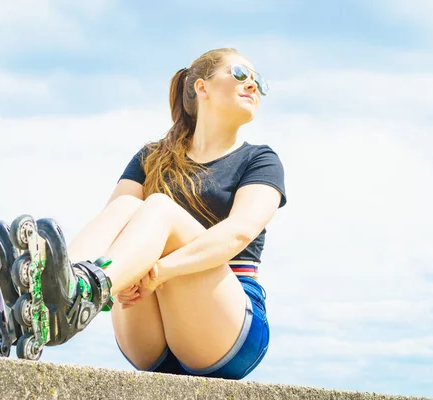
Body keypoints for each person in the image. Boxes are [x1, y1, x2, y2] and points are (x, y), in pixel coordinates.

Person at [36, 47, 287, 380]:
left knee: (159, 208)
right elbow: (113, 227)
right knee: (126, 207)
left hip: (228, 328)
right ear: (202, 87)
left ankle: (87, 289)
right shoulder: (151, 157)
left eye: (259, 81)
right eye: (241, 74)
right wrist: (122, 273)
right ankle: (48, 294)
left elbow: (239, 232)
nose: (253, 86)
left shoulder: (260, 160)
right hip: (148, 332)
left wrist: (157, 270)